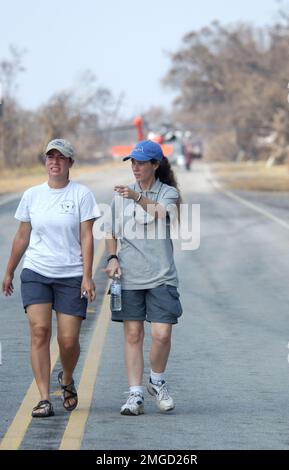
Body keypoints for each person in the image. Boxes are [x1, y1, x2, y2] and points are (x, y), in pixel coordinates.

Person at [2, 138, 99, 418]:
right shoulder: (32, 195)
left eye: (60, 157)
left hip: (70, 274)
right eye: (50, 157)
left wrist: (87, 276)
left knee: (68, 341)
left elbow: (86, 237)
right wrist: (9, 270)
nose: (54, 161)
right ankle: (44, 398)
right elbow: (22, 236)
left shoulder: (81, 195)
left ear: (70, 163)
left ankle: (66, 378)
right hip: (36, 272)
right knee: (39, 332)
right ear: (46, 162)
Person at [105, 140, 183, 416]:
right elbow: (110, 232)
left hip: (162, 276)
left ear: (155, 164)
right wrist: (112, 258)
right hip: (130, 276)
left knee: (161, 334)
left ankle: (157, 381)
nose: (135, 167)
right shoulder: (121, 196)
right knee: (133, 334)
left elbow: (161, 213)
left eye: (141, 162)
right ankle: (135, 394)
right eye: (132, 162)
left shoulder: (168, 193)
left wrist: (136, 197)